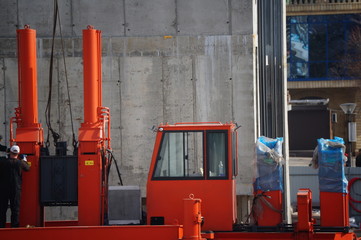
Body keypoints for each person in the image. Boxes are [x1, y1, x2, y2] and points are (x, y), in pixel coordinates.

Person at [0, 145, 30, 228]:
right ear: (18, 153)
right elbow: (27, 168)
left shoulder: (3, 161)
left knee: (2, 209)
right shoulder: (20, 163)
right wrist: (24, 159)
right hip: (16, 189)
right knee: (15, 209)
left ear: (10, 152)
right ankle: (14, 227)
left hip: (3, 189)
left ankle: (1, 227)